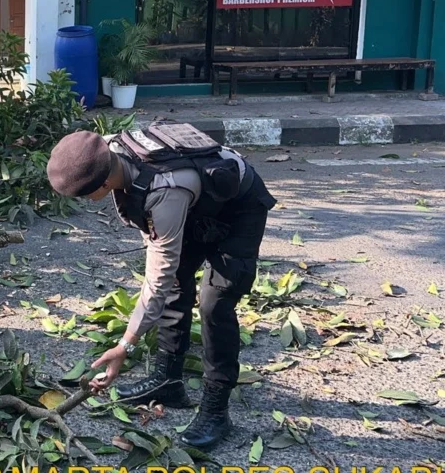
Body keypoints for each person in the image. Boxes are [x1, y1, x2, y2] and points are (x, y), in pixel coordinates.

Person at [45, 126, 276, 449]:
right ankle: (168, 380)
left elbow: (157, 276)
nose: (88, 202)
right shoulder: (108, 152)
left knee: (214, 302)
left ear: (103, 184)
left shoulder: (165, 190)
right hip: (198, 205)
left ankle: (216, 409)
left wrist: (125, 345)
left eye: (85, 195)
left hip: (239, 207)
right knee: (177, 286)